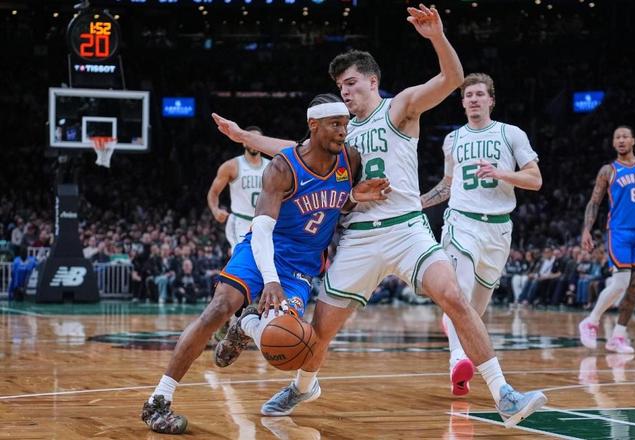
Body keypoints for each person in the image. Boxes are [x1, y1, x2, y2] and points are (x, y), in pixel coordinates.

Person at [212, 4, 546, 427]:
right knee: (321, 328)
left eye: (351, 83)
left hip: (407, 230)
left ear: (372, 81)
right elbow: (294, 151)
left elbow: (451, 80)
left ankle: (504, 395)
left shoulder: (399, 108)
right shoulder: (341, 131)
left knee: (456, 298)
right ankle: (303, 386)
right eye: (340, 87)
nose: (345, 92)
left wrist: (437, 37)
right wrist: (245, 136)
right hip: (359, 236)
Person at [141, 94, 390, 434]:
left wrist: (353, 199)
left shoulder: (350, 159)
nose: (343, 132)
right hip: (263, 248)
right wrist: (270, 281)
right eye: (335, 124)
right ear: (313, 125)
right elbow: (261, 230)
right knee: (218, 308)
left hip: (301, 267)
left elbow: (334, 205)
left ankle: (247, 325)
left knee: (285, 340)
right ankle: (158, 400)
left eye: (345, 124)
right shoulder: (282, 167)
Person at [420, 71, 542, 395]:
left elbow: (535, 179)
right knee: (458, 291)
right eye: (468, 95)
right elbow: (448, 185)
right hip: (461, 221)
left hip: (498, 229)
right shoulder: (453, 140)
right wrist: (418, 202)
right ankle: (457, 359)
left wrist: (501, 173)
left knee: (474, 310)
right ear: (462, 103)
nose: (473, 99)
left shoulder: (510, 134)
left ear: (491, 100)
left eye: (479, 94)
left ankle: (456, 341)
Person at [578, 126, 635, 353]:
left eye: (625, 136)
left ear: (633, 140)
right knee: (621, 283)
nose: (621, 140)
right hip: (619, 232)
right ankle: (591, 321)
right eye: (617, 137)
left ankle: (618, 336)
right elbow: (594, 202)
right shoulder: (608, 170)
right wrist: (587, 229)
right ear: (614, 143)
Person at [207, 126, 270, 255]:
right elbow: (213, 192)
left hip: (263, 223)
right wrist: (215, 210)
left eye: (257, 139)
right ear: (243, 142)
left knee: (265, 261)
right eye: (250, 139)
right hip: (240, 222)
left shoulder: (272, 166)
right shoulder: (231, 166)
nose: (254, 142)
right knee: (243, 258)